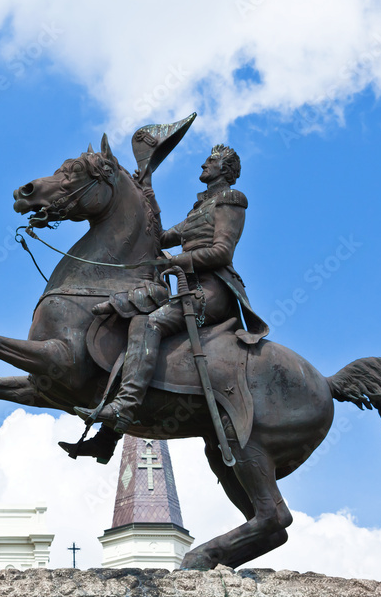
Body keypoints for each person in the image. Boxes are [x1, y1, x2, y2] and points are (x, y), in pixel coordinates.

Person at [75, 144, 269, 435]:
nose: (204, 164)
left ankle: (125, 406)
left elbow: (222, 252)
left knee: (149, 323)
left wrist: (177, 261)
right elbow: (161, 238)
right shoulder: (198, 210)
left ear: (225, 169)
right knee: (132, 314)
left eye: (212, 161)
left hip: (211, 292)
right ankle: (109, 435)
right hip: (184, 289)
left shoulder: (231, 200)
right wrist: (148, 189)